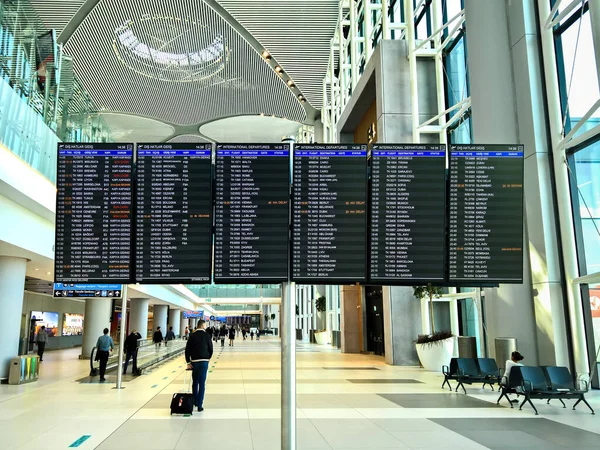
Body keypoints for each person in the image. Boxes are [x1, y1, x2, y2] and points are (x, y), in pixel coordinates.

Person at [185, 319, 213, 412]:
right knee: (202, 383)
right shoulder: (207, 335)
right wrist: (208, 358)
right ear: (202, 325)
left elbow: (187, 350)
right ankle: (200, 405)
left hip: (195, 361)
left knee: (195, 382)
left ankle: (195, 401)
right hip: (204, 361)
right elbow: (211, 349)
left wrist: (188, 362)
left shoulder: (192, 336)